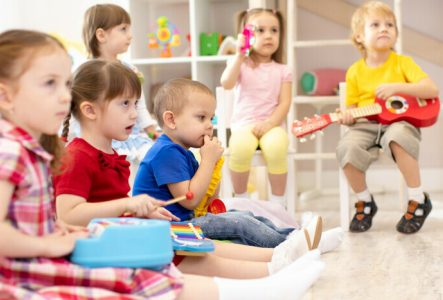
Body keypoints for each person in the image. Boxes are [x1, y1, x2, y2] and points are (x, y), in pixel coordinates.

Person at [52, 59, 325, 299]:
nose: (135, 114)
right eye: (125, 104)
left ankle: (282, 258)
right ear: (90, 110)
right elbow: (67, 215)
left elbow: (114, 208)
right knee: (197, 251)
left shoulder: (109, 153)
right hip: (109, 247)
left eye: (135, 104)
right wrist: (131, 206)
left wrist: (142, 211)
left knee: (207, 247)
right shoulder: (78, 156)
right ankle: (273, 273)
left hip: (127, 236)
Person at [0, 29, 184, 299]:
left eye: (65, 84)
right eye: (50, 83)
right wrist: (50, 245)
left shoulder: (31, 150)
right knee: (144, 281)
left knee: (153, 276)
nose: (65, 96)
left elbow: (30, 220)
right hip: (23, 274)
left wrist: (57, 230)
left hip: (37, 262)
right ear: (5, 97)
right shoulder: (11, 151)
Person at [132, 78, 343, 257]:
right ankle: (294, 247)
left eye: (211, 118)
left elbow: (207, 197)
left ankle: (295, 236)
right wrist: (207, 162)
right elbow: (190, 200)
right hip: (169, 230)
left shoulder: (183, 153)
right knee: (239, 223)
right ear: (171, 120)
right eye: (201, 117)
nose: (209, 125)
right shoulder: (165, 152)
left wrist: (213, 165)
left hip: (186, 221)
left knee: (245, 215)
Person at [336, 1, 439, 234]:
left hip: (399, 122)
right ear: (359, 37)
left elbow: (431, 90)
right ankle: (365, 200)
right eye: (376, 24)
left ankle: (417, 198)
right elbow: (351, 108)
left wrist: (398, 88)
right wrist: (348, 115)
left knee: (399, 137)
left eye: (389, 25)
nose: (384, 29)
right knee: (346, 148)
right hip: (365, 125)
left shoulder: (403, 63)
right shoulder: (354, 71)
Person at [220, 8, 291, 206]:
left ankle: (278, 204)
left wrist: (269, 124)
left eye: (274, 30)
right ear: (246, 35)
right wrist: (239, 56)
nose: (268, 35)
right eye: (260, 30)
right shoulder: (239, 64)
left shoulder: (283, 70)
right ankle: (242, 202)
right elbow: (226, 83)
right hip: (244, 125)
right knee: (240, 148)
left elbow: (285, 103)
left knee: (277, 147)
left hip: (273, 125)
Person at [81, 3, 158, 162]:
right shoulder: (86, 73)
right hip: (99, 141)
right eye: (123, 29)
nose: (130, 35)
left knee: (157, 157)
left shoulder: (130, 70)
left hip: (132, 137)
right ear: (101, 35)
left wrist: (153, 133)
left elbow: (140, 106)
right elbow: (78, 114)